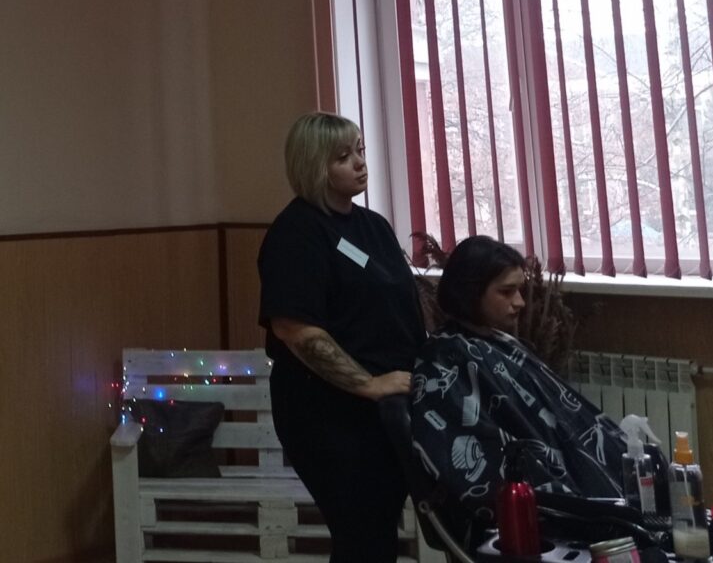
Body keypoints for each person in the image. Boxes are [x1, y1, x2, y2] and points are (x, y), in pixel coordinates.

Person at [258, 112, 425, 563]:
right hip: (329, 414)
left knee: (377, 534)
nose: (359, 163)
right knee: (362, 534)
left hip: (387, 408)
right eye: (343, 156)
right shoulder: (296, 233)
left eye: (360, 150)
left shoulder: (373, 226)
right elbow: (295, 329)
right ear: (314, 165)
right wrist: (368, 384)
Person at [410, 236, 627, 527]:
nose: (520, 302)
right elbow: (485, 456)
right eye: (506, 292)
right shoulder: (445, 360)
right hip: (530, 512)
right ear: (469, 292)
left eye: (519, 290)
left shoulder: (500, 342)